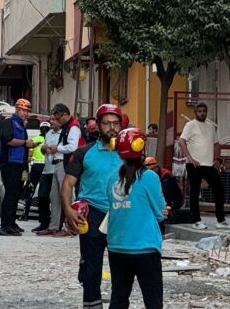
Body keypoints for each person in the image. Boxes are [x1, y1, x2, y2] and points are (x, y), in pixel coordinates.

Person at [63, 104, 124, 309]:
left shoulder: (128, 153)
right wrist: (68, 210)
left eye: (115, 123)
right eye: (106, 123)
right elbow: (67, 184)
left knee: (122, 270)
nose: (111, 128)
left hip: (121, 215)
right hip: (93, 214)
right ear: (98, 126)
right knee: (92, 271)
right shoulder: (83, 152)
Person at [107, 128, 168, 309]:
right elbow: (160, 212)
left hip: (117, 247)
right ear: (141, 149)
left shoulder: (111, 178)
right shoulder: (149, 176)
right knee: (153, 301)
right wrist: (162, 210)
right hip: (145, 248)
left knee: (118, 298)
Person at [178, 103, 228, 230]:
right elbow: (182, 141)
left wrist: (217, 159)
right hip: (194, 164)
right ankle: (196, 220)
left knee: (219, 189)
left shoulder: (211, 126)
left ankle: (221, 220)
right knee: (195, 191)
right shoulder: (190, 125)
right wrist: (190, 158)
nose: (202, 113)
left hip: (208, 164)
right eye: (199, 111)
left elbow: (216, 144)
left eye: (204, 111)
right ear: (195, 112)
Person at [0, 99, 38, 236]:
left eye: (27, 111)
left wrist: (26, 168)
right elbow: (8, 140)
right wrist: (25, 143)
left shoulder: (21, 125)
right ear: (17, 110)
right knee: (10, 193)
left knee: (16, 194)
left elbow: (23, 148)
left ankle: (11, 222)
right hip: (9, 163)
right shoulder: (9, 123)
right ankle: (5, 225)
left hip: (19, 164)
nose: (26, 114)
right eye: (24, 111)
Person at [40, 103, 81, 236]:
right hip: (58, 163)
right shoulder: (67, 127)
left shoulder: (73, 127)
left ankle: (69, 227)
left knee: (66, 196)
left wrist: (57, 148)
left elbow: (72, 147)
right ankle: (54, 226)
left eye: (58, 118)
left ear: (64, 114)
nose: (56, 121)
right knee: (54, 196)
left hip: (65, 163)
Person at [22, 121, 49, 223]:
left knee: (30, 189)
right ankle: (44, 217)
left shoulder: (35, 140)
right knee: (45, 192)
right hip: (46, 167)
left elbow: (29, 155)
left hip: (36, 166)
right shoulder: (50, 140)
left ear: (40, 129)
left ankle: (25, 214)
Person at [144, 156, 183, 223]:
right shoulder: (153, 176)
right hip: (166, 200)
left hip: (174, 201)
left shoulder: (165, 175)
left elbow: (165, 193)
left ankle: (164, 217)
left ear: (156, 168)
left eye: (152, 170)